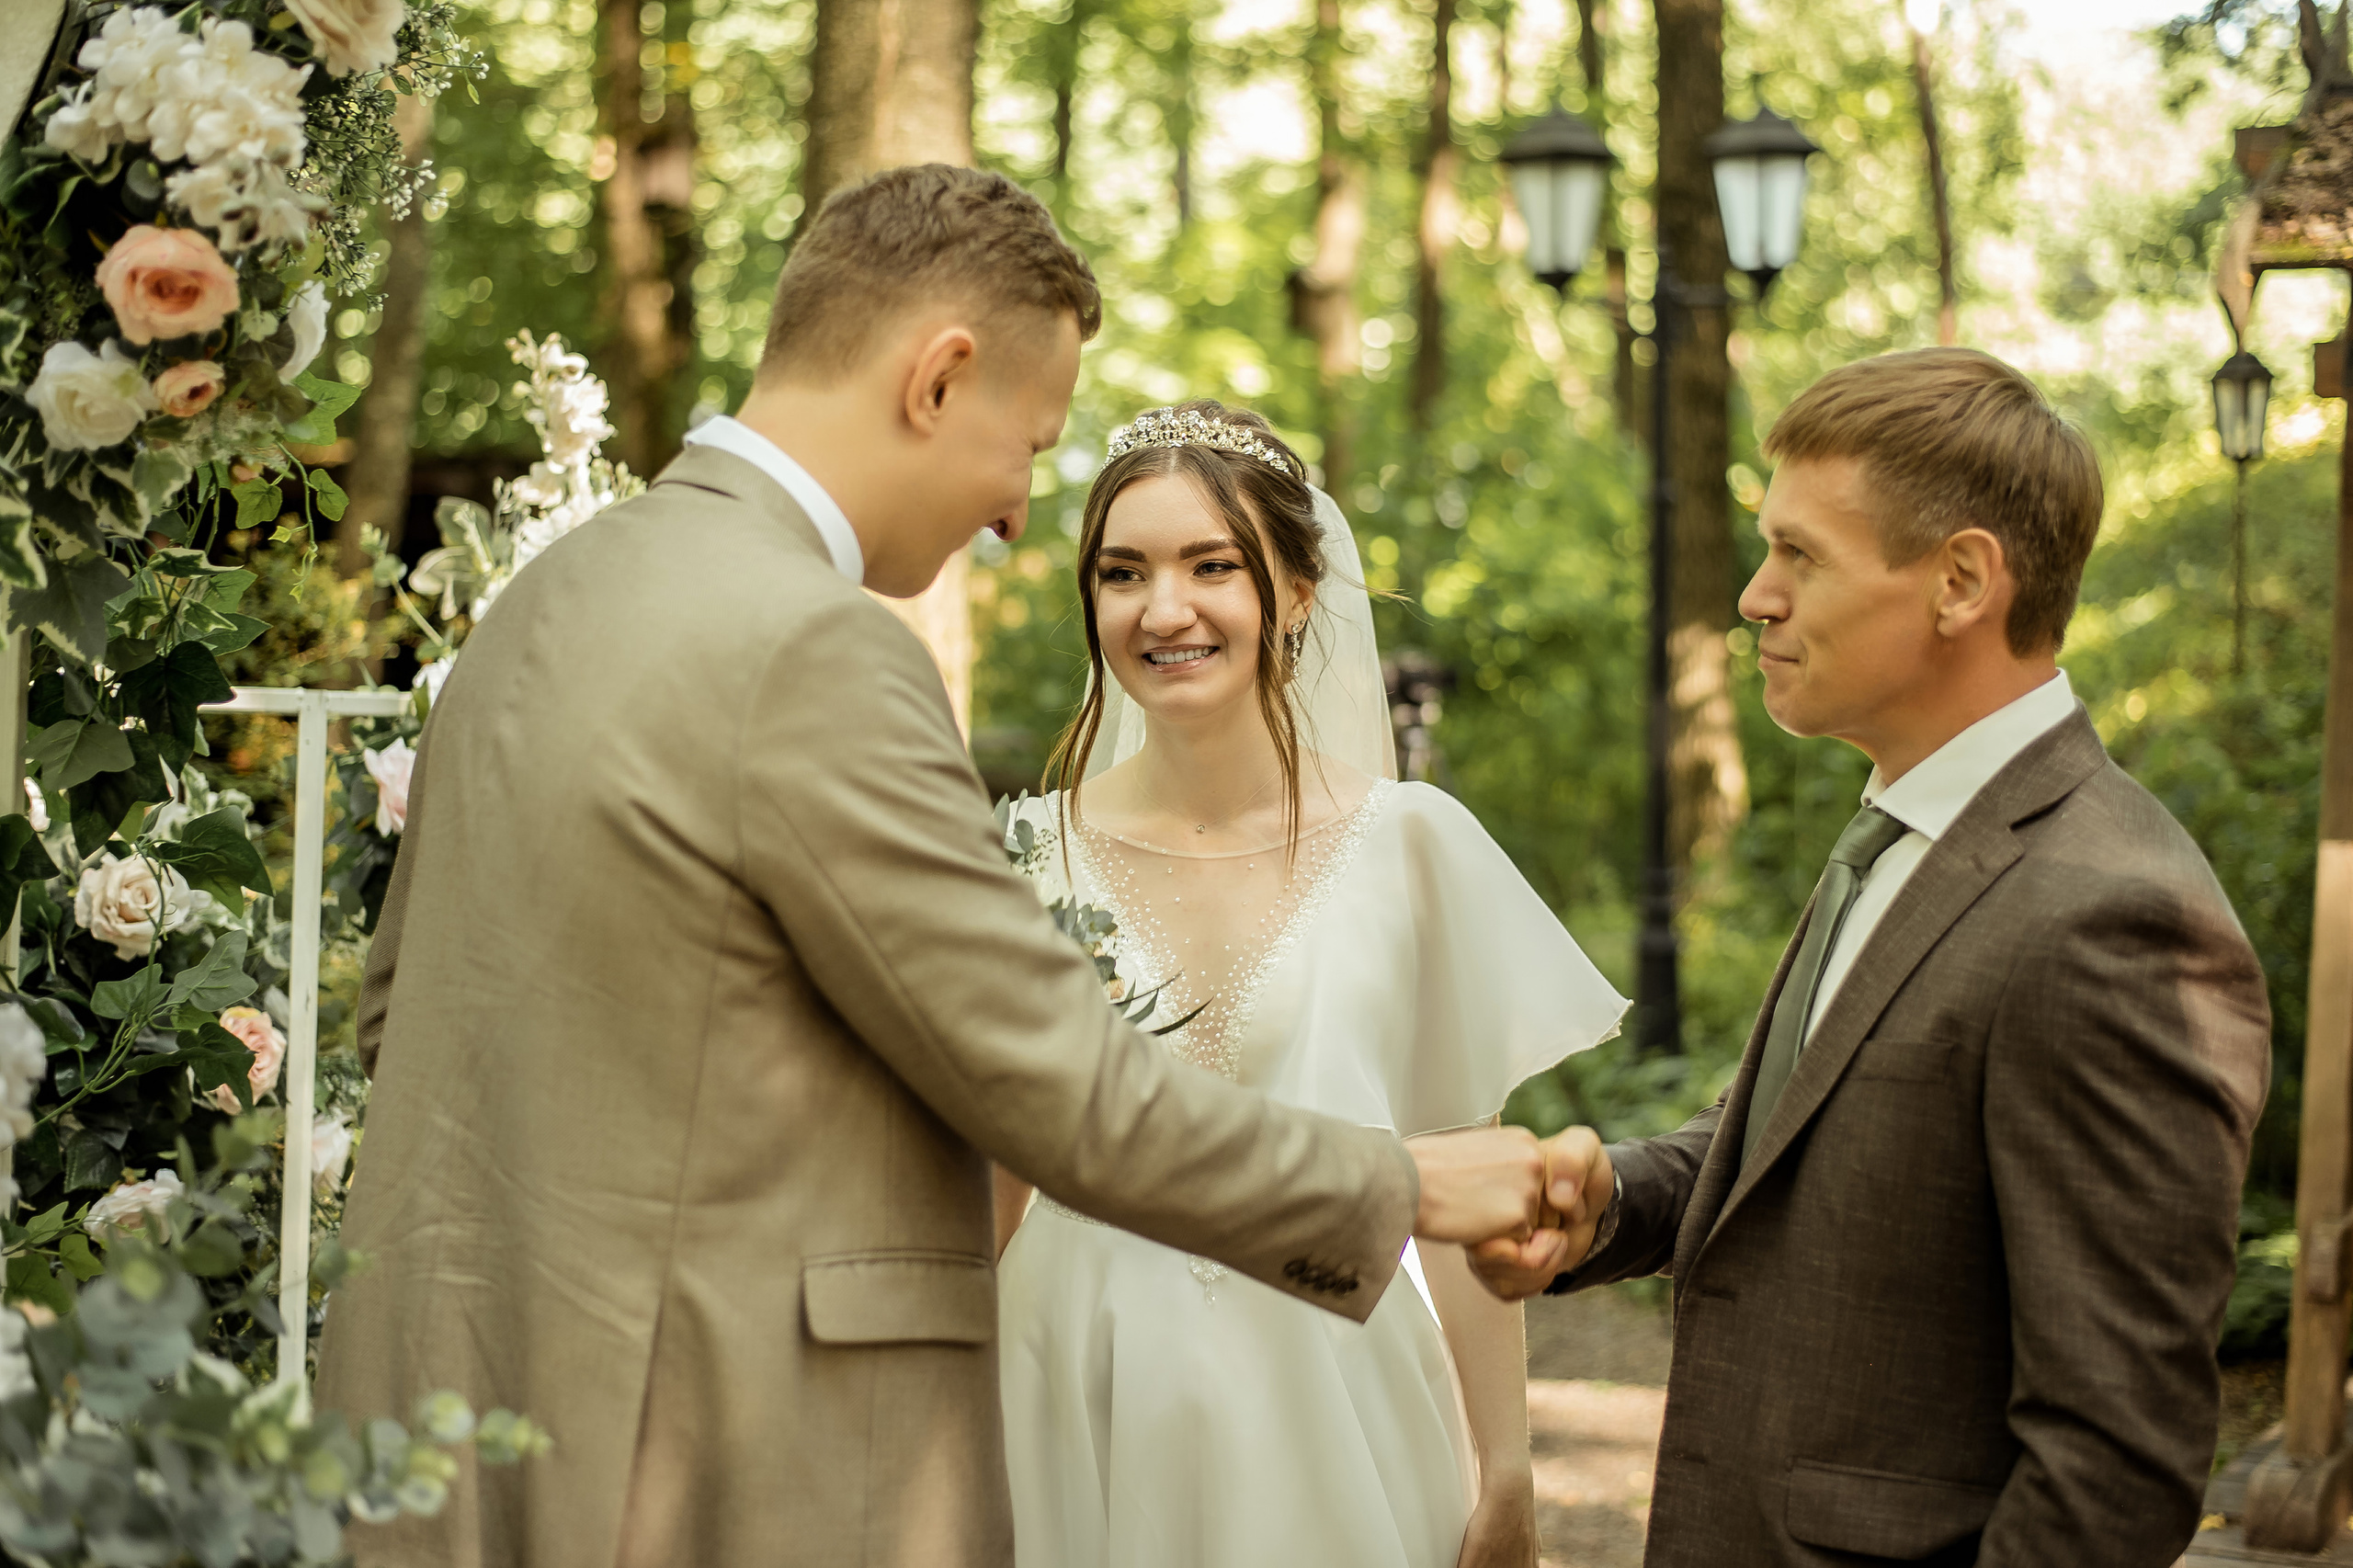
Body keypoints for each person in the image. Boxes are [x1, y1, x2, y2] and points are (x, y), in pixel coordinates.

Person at [314, 165, 1573, 1568]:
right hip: (693, 1440)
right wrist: (1407, 1188)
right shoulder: (816, 645)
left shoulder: (548, 599)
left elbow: (405, 1010)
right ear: (938, 379)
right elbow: (1058, 1084)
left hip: (471, 1419)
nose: (1018, 511)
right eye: (1027, 446)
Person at [1479, 348, 2273, 1568]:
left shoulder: (2108, 917)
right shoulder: (1906, 832)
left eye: (1800, 554)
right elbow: (1794, 1142)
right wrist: (1608, 1205)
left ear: (1960, 581)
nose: (1756, 595)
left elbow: (2113, 1464)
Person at [992, 400, 1628, 1568]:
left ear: (1293, 592)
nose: (1162, 608)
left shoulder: (1412, 844)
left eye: (1211, 565)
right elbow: (988, 1185)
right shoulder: (1023, 856)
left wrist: (1505, 1466)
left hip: (1334, 1384)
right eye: (1123, 571)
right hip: (1066, 1380)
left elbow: (1460, 1165)